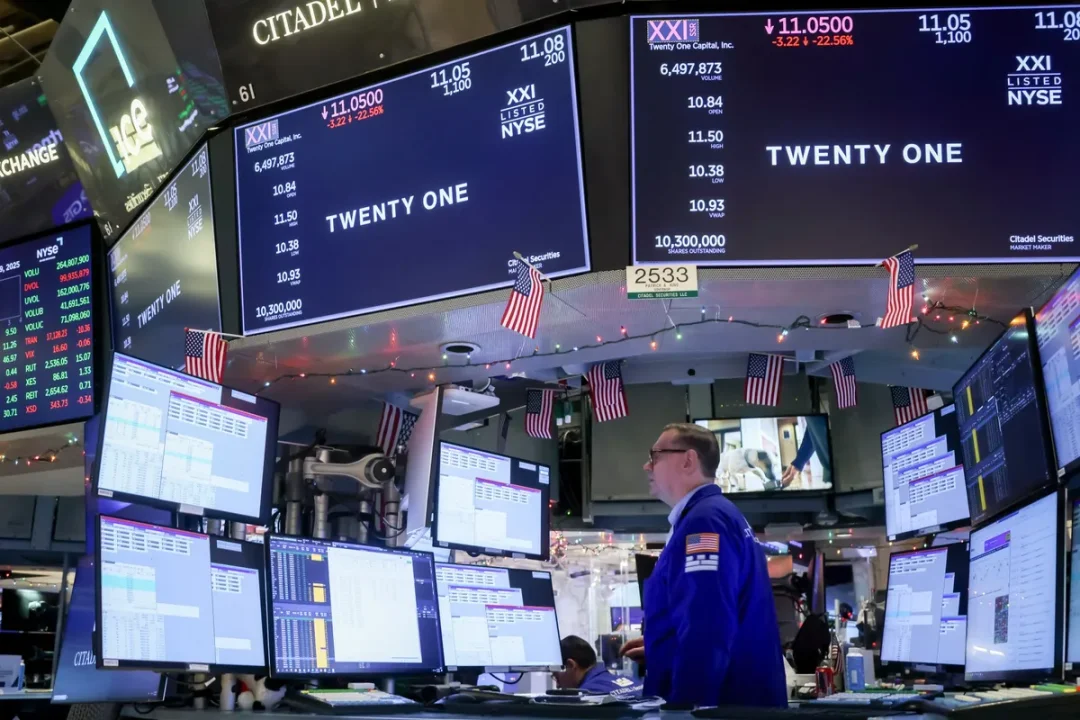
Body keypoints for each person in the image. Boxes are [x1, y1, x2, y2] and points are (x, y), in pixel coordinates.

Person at [621, 423, 788, 708]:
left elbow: (706, 628)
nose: (647, 465)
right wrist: (662, 648)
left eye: (655, 455)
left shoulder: (705, 522)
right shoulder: (714, 515)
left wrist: (685, 710)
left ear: (688, 460)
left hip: (720, 709)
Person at [553, 635, 642, 698]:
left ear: (570, 665)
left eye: (556, 677)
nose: (557, 685)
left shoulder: (589, 695)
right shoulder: (630, 680)